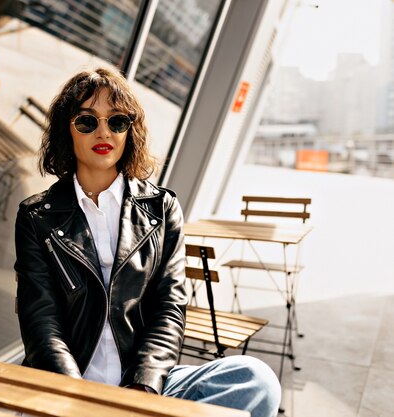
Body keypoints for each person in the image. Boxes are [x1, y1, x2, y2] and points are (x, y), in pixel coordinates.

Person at [14, 67, 281, 417]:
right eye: (86, 121)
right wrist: (74, 394)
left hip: (143, 381)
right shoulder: (37, 216)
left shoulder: (161, 208)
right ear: (68, 129)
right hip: (67, 383)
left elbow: (169, 307)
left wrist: (143, 386)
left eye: (117, 121)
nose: (103, 132)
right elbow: (40, 319)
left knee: (255, 380)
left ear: (130, 131)